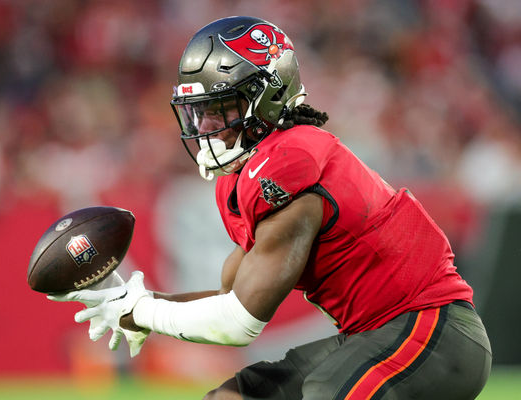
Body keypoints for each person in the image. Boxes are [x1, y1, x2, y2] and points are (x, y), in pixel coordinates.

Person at [49, 16, 492, 399]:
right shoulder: (245, 179)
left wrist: (141, 311)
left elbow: (239, 322)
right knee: (233, 397)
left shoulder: (293, 159)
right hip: (375, 334)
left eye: (220, 109)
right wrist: (144, 304)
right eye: (198, 113)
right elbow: (231, 296)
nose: (205, 128)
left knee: (327, 394)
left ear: (267, 98)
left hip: (435, 332)